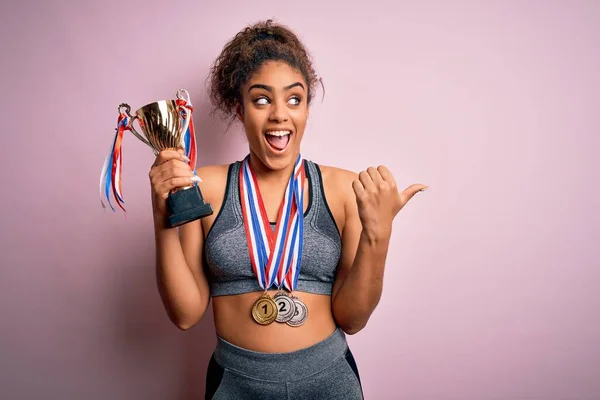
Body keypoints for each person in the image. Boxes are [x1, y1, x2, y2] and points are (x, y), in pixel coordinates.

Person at [148, 19, 427, 399]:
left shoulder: (345, 188)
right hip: (236, 384)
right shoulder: (207, 186)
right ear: (239, 107)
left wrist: (378, 236)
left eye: (294, 99)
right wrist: (164, 215)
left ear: (307, 108)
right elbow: (185, 314)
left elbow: (353, 318)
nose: (280, 114)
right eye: (261, 99)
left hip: (329, 382)